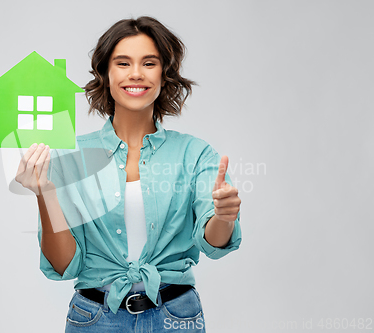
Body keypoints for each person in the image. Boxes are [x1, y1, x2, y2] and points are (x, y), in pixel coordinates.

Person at [15, 16, 242, 333]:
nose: (136, 73)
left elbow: (214, 242)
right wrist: (45, 193)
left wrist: (224, 216)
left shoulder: (196, 154)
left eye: (149, 63)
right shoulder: (70, 156)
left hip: (175, 319)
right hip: (95, 319)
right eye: (123, 63)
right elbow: (64, 264)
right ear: (105, 74)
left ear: (164, 74)